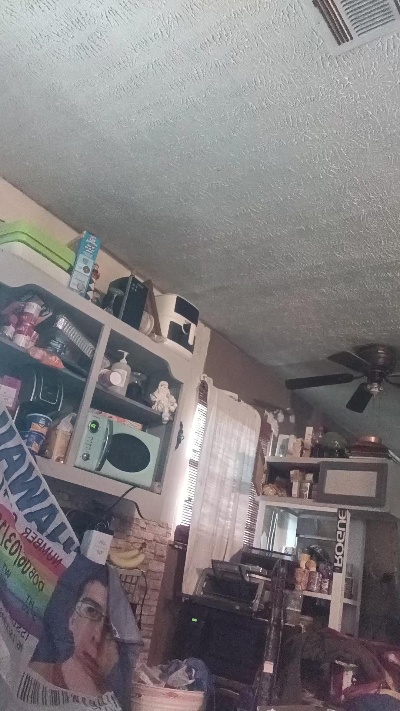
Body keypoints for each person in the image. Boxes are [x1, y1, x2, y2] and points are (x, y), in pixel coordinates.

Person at [28, 558, 121, 699]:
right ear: (71, 617)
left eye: (110, 626)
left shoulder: (115, 699)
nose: (97, 637)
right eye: (91, 611)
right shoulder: (35, 674)